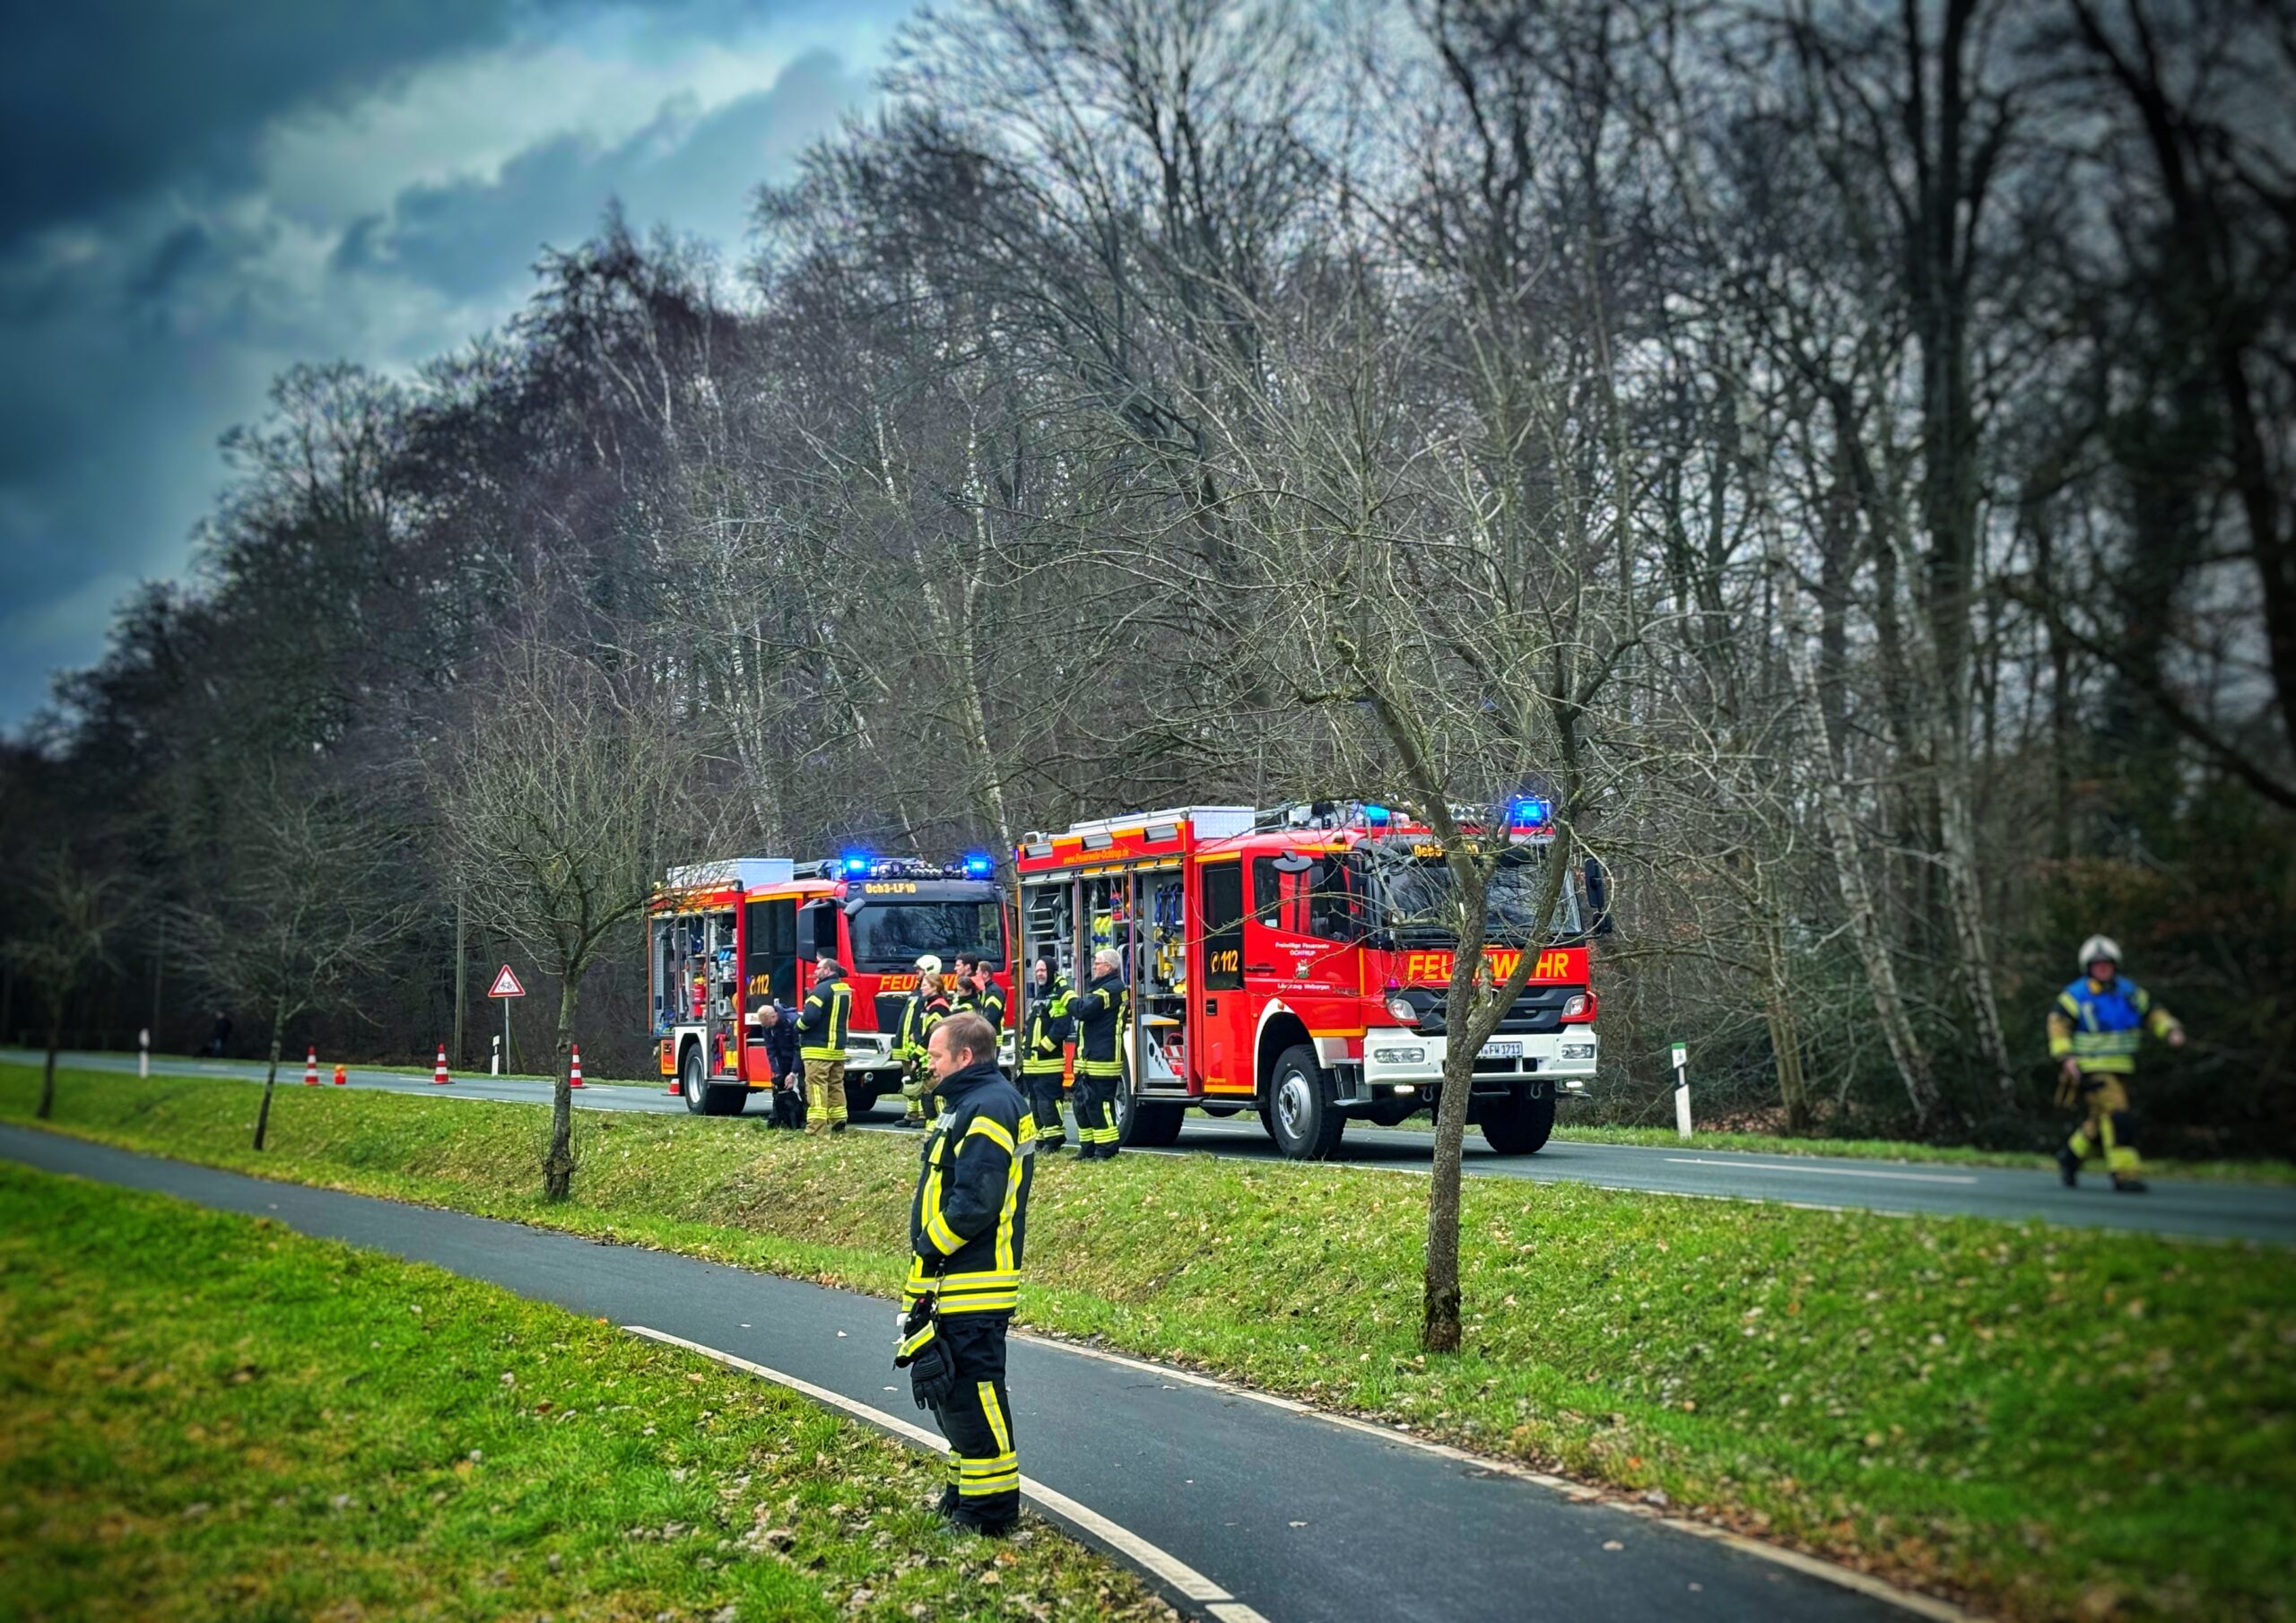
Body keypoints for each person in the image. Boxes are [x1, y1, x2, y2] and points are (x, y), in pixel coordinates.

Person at [892, 1011, 1033, 1534]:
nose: (928, 1063)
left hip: (974, 1280)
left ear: (965, 1056)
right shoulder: (967, 1102)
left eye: (936, 1055)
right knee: (953, 1399)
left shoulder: (989, 1106)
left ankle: (989, 1513)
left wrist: (930, 1246)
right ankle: (963, 1497)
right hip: (953, 1279)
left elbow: (977, 1201)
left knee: (975, 1397)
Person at [2049, 934, 2185, 1193]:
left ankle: (2070, 1156)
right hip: (2092, 1068)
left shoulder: (2129, 992)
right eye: (2097, 964)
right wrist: (2066, 1057)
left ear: (2115, 965)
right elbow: (2058, 1026)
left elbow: (2153, 1013)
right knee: (2118, 1117)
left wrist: (2170, 1030)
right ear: (2088, 967)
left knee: (2099, 1121)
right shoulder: (2076, 995)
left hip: (2122, 1066)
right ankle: (2125, 1174)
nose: (2102, 968)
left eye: (2107, 964)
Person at [1068, 947, 1126, 1159]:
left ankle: (1106, 1149)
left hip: (1103, 1060)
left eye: (1098, 963)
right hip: (1088, 1060)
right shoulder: (1102, 988)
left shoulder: (1112, 989)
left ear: (1108, 967)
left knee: (1100, 1107)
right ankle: (1088, 1149)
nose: (1094, 966)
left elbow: (1083, 1010)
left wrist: (1067, 996)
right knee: (1082, 1106)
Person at [1018, 959, 1072, 1151]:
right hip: (1032, 1062)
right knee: (1035, 1103)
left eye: (1043, 970)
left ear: (1051, 971)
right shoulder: (1040, 996)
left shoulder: (1056, 996)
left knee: (1048, 1102)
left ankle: (1054, 1138)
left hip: (1048, 1062)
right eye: (1037, 970)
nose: (1039, 973)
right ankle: (1041, 1138)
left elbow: (1061, 1026)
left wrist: (1044, 1047)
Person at [795, 959, 853, 1134]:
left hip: (817, 1049)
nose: (815, 972)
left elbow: (810, 1017)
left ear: (827, 970)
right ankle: (839, 1121)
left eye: (818, 968)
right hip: (837, 1048)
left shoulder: (820, 990)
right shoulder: (844, 990)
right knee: (836, 1084)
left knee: (816, 1086)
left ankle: (816, 1128)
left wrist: (797, 1027)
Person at [897, 955, 954, 1127]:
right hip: (923, 1054)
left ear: (935, 987)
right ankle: (931, 1124)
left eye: (925, 985)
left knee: (933, 1093)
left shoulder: (938, 1007)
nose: (921, 987)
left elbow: (931, 1034)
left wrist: (917, 1055)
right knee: (925, 1091)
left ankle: (940, 1125)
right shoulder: (929, 1004)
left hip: (930, 1055)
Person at [746, 995, 804, 1130]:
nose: (766, 1027)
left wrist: (793, 1073)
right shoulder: (767, 1026)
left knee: (803, 1088)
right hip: (782, 1059)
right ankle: (780, 1120)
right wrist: (777, 1071)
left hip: (798, 1058)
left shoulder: (792, 1021)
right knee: (779, 1091)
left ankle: (804, 1120)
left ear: (774, 1017)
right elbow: (771, 1050)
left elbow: (799, 1049)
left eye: (767, 1024)